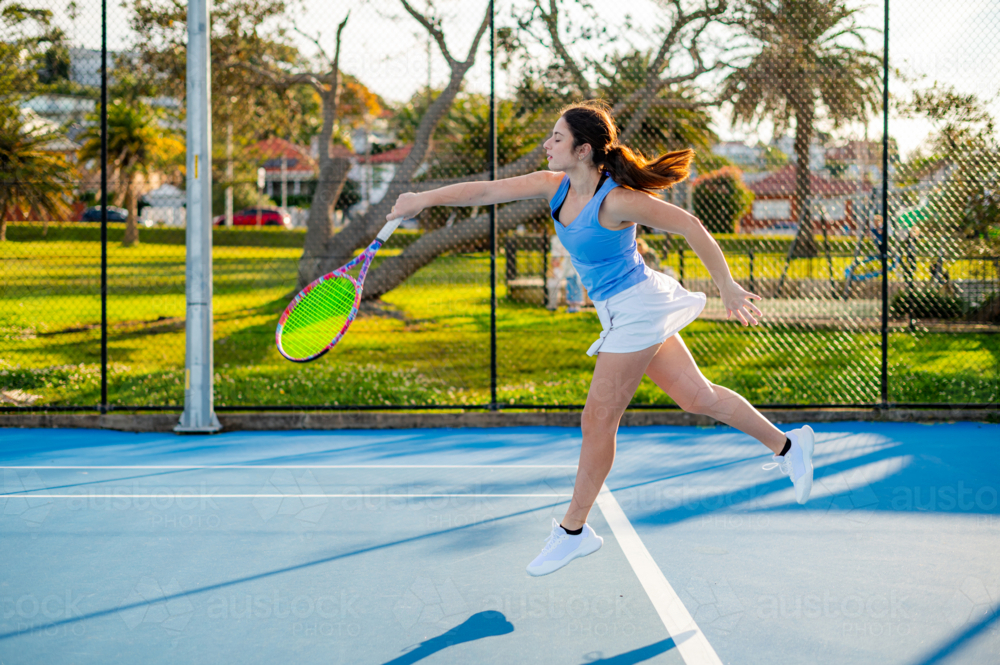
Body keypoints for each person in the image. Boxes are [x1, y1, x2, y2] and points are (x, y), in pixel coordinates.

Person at [389, 100, 815, 577]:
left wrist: (728, 287)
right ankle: (789, 447)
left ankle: (573, 531)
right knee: (697, 398)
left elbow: (692, 226)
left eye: (556, 137)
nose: (546, 144)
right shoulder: (555, 186)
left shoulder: (616, 200)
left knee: (598, 419)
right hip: (624, 311)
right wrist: (423, 198)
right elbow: (486, 191)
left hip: (636, 308)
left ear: (583, 148)